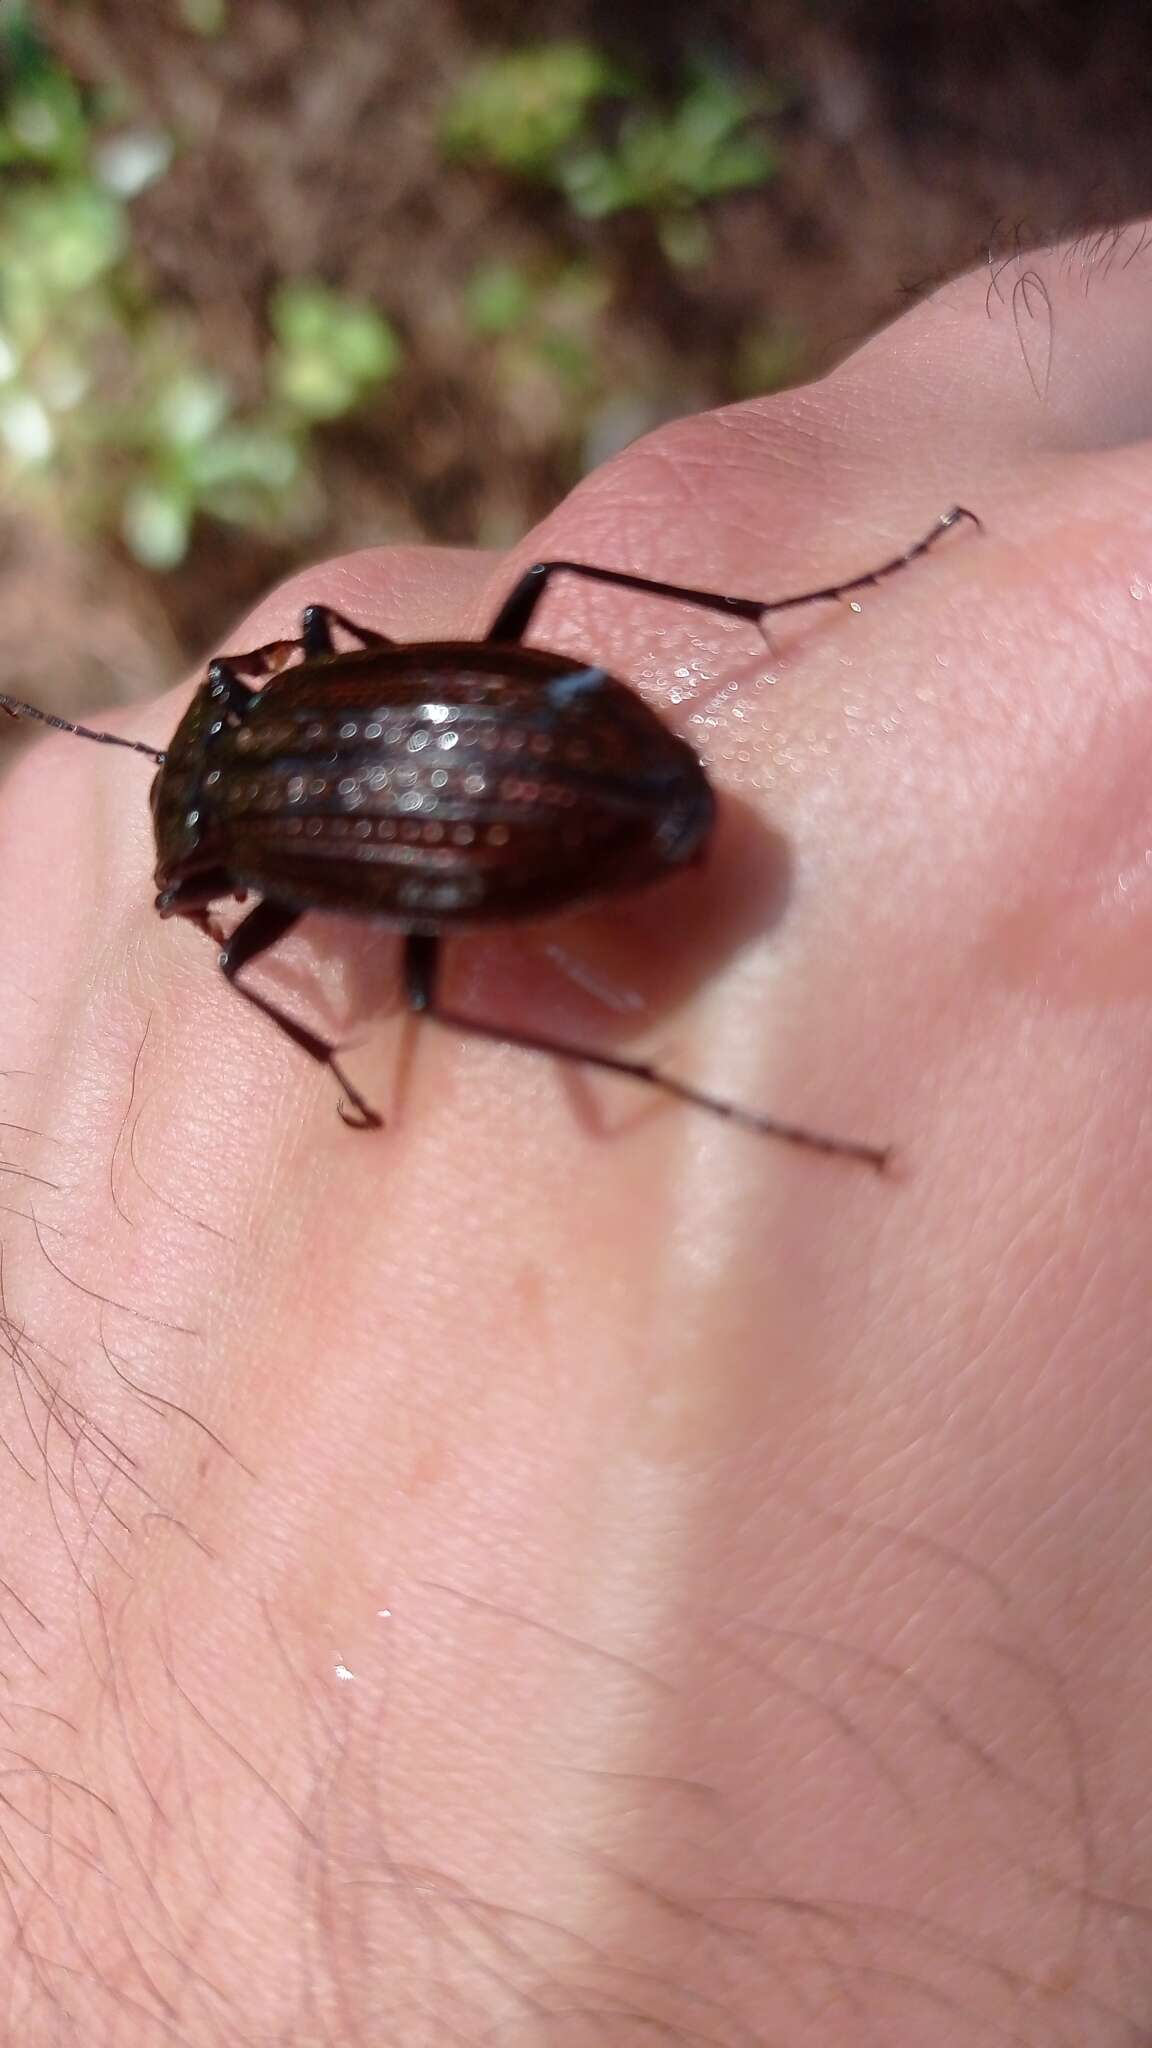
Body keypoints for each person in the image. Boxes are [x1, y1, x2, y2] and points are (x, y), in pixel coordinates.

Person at [2, 230, 1149, 2042]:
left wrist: (328, 1061)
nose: (204, 907)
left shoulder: (254, 871)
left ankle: (700, 1075)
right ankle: (759, 688)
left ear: (214, 867)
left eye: (197, 885)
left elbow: (236, 931)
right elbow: (319, 656)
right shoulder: (287, 681)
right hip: (529, 743)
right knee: (509, 714)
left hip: (565, 811)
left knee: (441, 998)